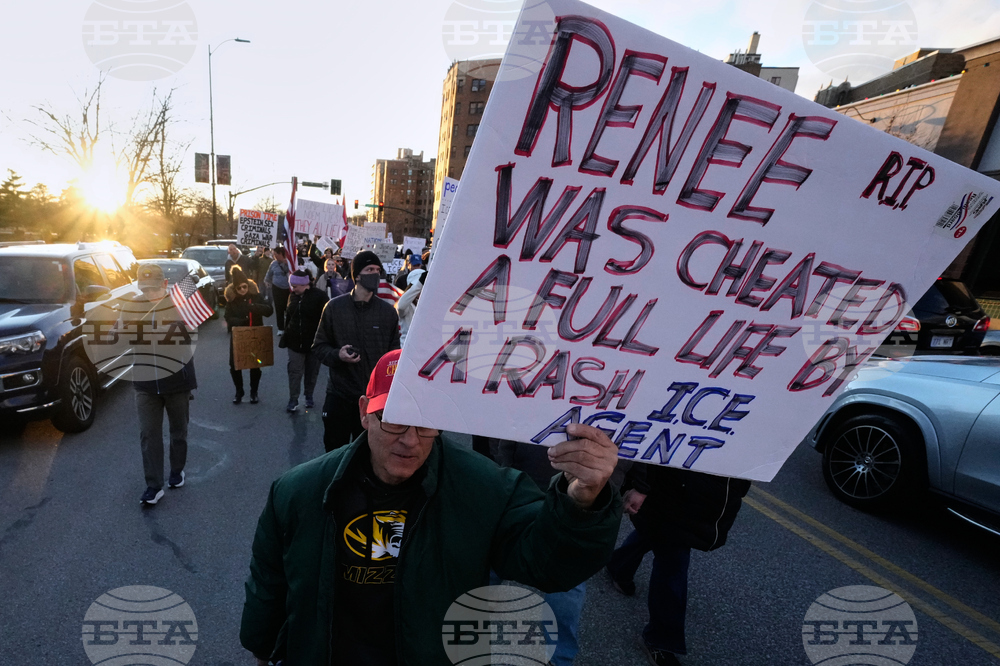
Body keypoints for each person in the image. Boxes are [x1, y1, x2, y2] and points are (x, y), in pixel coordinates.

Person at [240, 349, 624, 665]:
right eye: (393, 420)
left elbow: (546, 565)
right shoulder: (299, 491)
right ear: (363, 412)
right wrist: (262, 647)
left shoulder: (485, 488)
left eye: (426, 423)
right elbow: (269, 584)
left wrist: (581, 501)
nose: (410, 440)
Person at [606, 465, 751, 666]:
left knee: (657, 534)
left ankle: (618, 565)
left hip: (704, 491)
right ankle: (660, 639)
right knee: (673, 562)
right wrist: (641, 486)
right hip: (675, 487)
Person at [491, 439, 589, 666]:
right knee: (493, 558)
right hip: (524, 482)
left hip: (584, 492)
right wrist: (503, 469)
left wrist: (638, 484)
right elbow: (507, 423)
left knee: (568, 582)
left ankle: (559, 657)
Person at [312, 250, 400, 453]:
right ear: (357, 276)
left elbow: (393, 356)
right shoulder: (334, 308)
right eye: (370, 269)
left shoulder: (388, 313)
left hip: (373, 400)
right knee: (335, 454)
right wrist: (337, 355)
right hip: (340, 396)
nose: (375, 274)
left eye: (378, 270)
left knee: (369, 458)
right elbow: (319, 346)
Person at [131, 264, 197, 506]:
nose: (148, 293)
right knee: (149, 435)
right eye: (144, 289)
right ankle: (153, 485)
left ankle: (177, 470)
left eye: (153, 288)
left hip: (177, 380)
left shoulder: (179, 304)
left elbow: (190, 333)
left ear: (164, 284)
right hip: (145, 384)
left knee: (178, 431)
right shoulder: (133, 307)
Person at [224, 266, 273, 405]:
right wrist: (240, 321)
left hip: (254, 336)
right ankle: (239, 391)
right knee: (234, 365)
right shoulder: (232, 300)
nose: (243, 290)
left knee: (255, 365)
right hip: (239, 336)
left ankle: (254, 392)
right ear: (235, 288)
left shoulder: (255, 296)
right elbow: (228, 317)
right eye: (239, 288)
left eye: (244, 287)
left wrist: (255, 307)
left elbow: (269, 310)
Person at [283, 269, 327, 413]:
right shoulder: (293, 296)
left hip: (314, 342)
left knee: (312, 371)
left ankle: (309, 395)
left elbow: (326, 319)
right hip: (294, 342)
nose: (293, 289)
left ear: (304, 285)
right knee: (294, 371)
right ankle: (293, 399)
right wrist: (286, 333)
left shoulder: (320, 296)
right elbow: (288, 316)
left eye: (295, 286)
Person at [264, 246, 292, 333]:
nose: (274, 256)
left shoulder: (289, 263)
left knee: (289, 308)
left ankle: (289, 326)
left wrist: (287, 264)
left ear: (280, 254)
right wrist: (266, 281)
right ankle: (280, 328)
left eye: (275, 254)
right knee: (279, 308)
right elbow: (268, 275)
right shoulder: (273, 264)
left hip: (288, 289)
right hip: (277, 288)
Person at [396, 269, 424, 346]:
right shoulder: (407, 305)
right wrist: (419, 284)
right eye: (420, 287)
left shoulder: (426, 305)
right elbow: (401, 307)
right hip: (406, 348)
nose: (422, 289)